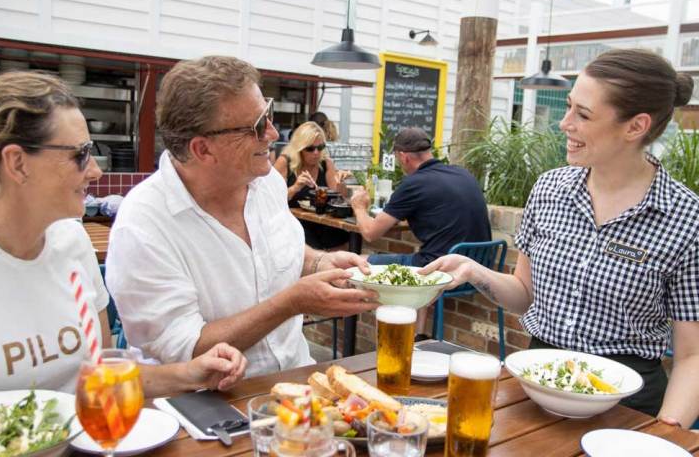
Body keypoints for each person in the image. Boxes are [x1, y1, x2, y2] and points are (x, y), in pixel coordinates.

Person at [423, 49, 699, 427]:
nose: (564, 123)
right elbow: (524, 293)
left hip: (626, 408)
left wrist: (663, 436)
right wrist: (474, 271)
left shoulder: (686, 217)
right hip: (535, 387)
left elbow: (692, 355)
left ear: (635, 127)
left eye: (582, 114)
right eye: (569, 107)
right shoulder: (549, 189)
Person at [105, 56, 378, 378]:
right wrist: (292, 303)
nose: (273, 133)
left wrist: (318, 263)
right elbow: (185, 350)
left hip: (298, 382)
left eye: (269, 115)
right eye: (257, 125)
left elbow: (275, 248)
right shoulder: (144, 223)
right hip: (205, 409)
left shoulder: (266, 182)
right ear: (203, 149)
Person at [0, 71, 247, 395]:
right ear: (18, 163)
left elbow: (101, 376)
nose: (96, 170)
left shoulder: (72, 242)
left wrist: (190, 374)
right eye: (80, 155)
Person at [350, 127, 491, 336]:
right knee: (424, 262)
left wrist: (358, 207)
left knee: (359, 265)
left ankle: (392, 341)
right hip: (478, 268)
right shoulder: (462, 173)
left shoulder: (414, 183)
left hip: (439, 273)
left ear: (403, 157)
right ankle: (418, 338)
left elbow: (370, 233)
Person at [274, 121, 350, 249]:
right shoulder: (285, 162)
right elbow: (271, 200)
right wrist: (295, 187)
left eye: (320, 147)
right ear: (299, 148)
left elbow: (336, 198)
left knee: (343, 236)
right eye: (310, 148)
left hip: (321, 222)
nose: (316, 152)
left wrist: (341, 183)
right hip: (292, 222)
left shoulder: (326, 163)